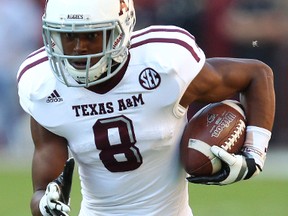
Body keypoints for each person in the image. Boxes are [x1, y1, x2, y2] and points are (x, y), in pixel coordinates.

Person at [16, 0, 275, 215]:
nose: (78, 48)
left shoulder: (164, 64)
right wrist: (46, 205)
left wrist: (254, 152)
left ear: (120, 32)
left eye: (92, 35)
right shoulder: (42, 86)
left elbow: (256, 75)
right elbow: (42, 189)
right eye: (67, 36)